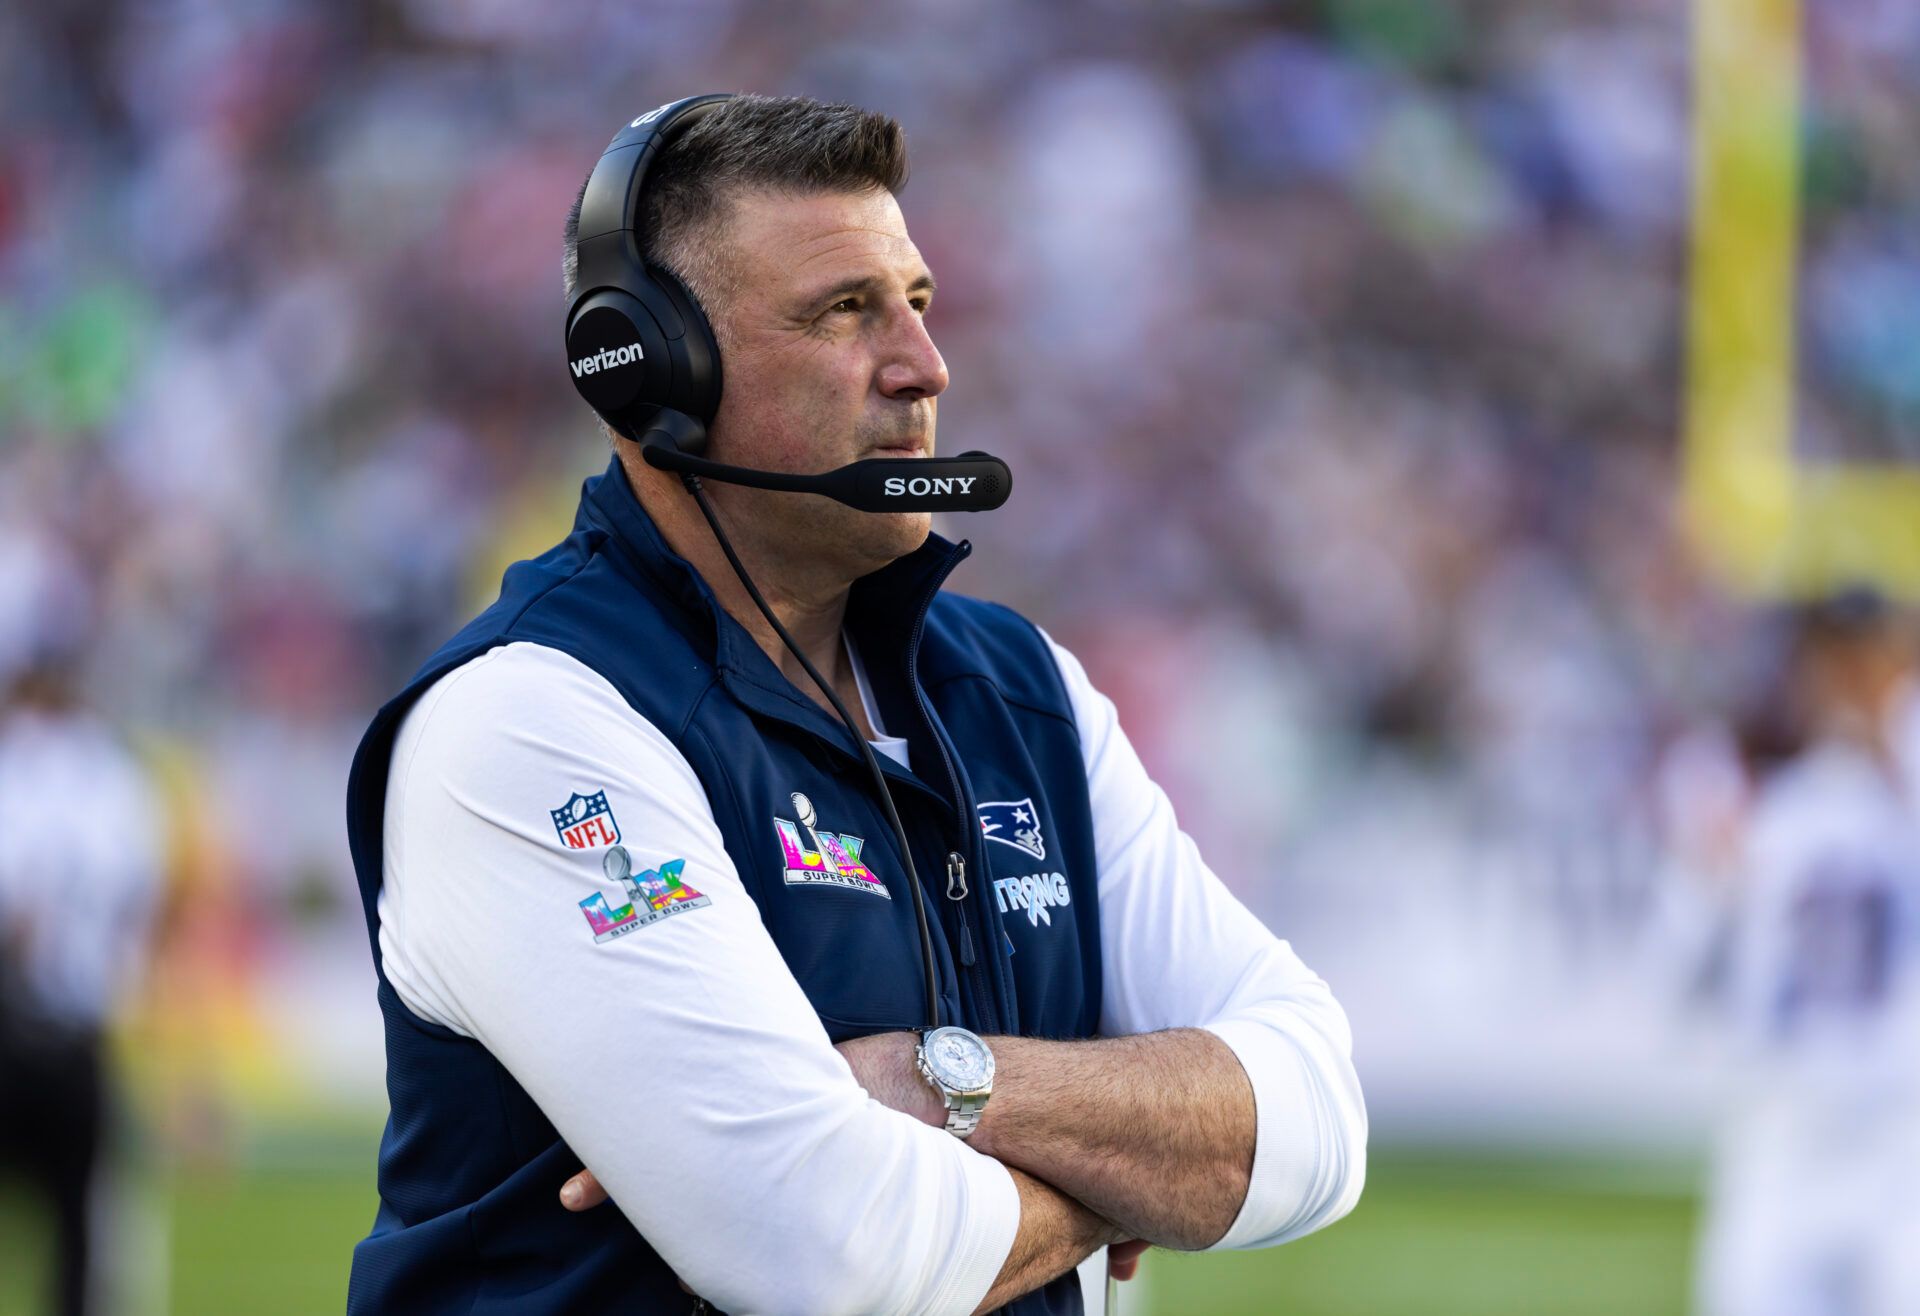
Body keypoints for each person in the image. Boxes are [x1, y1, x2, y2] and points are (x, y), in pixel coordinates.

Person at [345, 93, 1365, 1315]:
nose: (923, 366)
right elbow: (831, 1254)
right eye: (843, 311)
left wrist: (941, 1083)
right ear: (648, 368)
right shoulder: (526, 724)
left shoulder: (1022, 690)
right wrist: (1125, 1180)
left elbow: (1318, 1115)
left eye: (918, 302)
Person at [1670, 594, 1920, 1316]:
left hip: (1877, 1123)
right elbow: (1685, 970)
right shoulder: (1772, 801)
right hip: (1800, 1119)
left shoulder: (1791, 806)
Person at [0, 655, 164, 1316]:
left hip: (18, 1019)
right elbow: (142, 899)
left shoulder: (19, 768)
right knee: (81, 1231)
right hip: (83, 1028)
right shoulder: (116, 779)